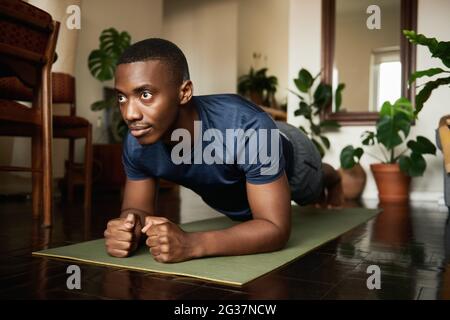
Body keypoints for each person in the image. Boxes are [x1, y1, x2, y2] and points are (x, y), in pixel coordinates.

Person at [104, 38, 343, 263]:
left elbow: (274, 227)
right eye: (122, 98)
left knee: (311, 190)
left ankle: (334, 176)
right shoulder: (138, 139)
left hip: (292, 157)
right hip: (249, 146)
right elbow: (138, 210)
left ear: (184, 92)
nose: (130, 114)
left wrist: (191, 244)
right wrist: (127, 229)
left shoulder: (248, 126)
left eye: (145, 95)